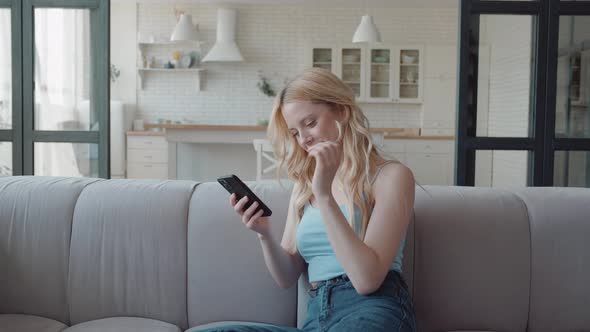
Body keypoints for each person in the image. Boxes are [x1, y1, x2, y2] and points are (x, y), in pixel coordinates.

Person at [198, 68, 417, 332]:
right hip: (317, 317)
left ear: (342, 112)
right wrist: (264, 233)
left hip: (374, 309)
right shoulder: (305, 185)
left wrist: (324, 197)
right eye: (294, 132)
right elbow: (287, 277)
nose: (304, 139)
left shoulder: (391, 176)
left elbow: (367, 280)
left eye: (310, 123)